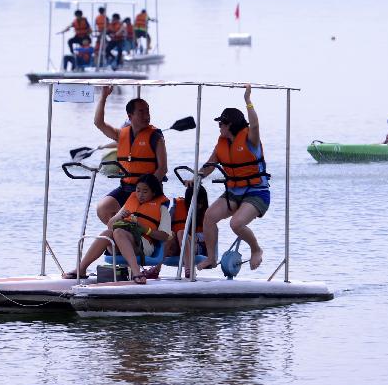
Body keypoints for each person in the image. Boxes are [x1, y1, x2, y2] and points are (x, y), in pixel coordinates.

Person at [186, 85, 270, 271]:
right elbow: (208, 167)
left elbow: (254, 125)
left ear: (229, 125)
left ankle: (256, 250)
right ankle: (211, 258)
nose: (219, 127)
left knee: (236, 223)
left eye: (220, 124)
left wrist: (248, 101)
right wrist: (196, 177)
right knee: (209, 217)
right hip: (233, 192)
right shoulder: (222, 144)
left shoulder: (250, 139)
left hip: (257, 192)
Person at [63, 174, 171, 285]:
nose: (140, 195)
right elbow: (110, 225)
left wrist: (144, 229)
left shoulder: (162, 208)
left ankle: (136, 272)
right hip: (122, 241)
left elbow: (164, 236)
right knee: (107, 233)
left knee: (118, 232)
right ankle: (81, 269)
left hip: (144, 246)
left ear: (153, 192)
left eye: (145, 191)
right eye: (138, 191)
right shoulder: (130, 202)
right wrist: (118, 217)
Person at [93, 86, 168, 226]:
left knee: (114, 222)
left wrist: (145, 189)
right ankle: (122, 238)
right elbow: (98, 123)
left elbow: (162, 169)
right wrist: (103, 97)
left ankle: (124, 237)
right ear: (130, 116)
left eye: (148, 111)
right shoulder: (121, 134)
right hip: (125, 187)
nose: (147, 115)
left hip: (147, 191)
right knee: (103, 209)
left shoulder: (156, 137)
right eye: (141, 112)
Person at [144, 184, 209, 279]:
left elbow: (210, 235)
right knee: (170, 235)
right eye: (197, 202)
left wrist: (197, 237)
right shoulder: (177, 206)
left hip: (195, 246)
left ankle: (188, 269)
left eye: (201, 202)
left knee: (181, 233)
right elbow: (166, 226)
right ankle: (157, 268)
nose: (199, 205)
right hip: (176, 247)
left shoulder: (207, 213)